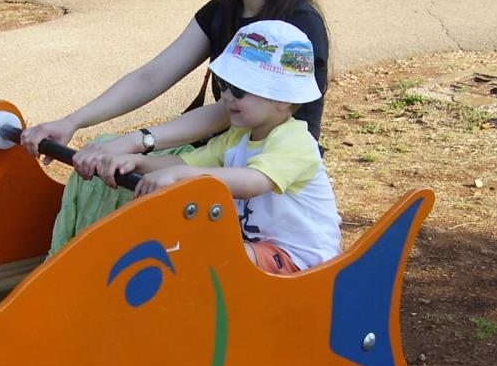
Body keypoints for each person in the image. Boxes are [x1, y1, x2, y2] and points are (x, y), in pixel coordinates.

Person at [20, 0, 329, 254]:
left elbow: (227, 113)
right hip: (222, 152)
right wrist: (73, 122)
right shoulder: (221, 13)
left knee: (133, 181)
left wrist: (138, 142)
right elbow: (152, 76)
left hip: (266, 174)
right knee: (105, 157)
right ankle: (77, 269)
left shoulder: (296, 29)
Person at [101, 20, 341, 274]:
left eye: (238, 89)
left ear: (282, 99)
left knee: (217, 255)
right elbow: (187, 162)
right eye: (224, 84)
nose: (225, 95)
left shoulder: (295, 141)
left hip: (302, 259)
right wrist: (137, 163)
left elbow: (254, 182)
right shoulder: (238, 136)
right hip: (260, 248)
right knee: (187, 249)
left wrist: (181, 176)